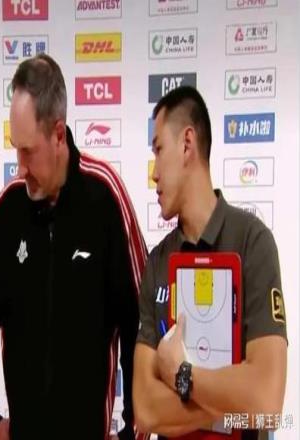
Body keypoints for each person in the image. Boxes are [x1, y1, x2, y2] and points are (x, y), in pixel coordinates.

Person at [0, 54, 147, 440]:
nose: (19, 167)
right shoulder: (8, 211)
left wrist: (135, 431)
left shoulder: (105, 197)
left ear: (59, 134)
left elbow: (140, 323)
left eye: (28, 151)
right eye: (15, 149)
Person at [133, 86, 287, 439]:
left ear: (187, 144)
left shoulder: (253, 242)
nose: (154, 173)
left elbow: (266, 402)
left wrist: (181, 375)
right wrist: (232, 396)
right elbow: (146, 409)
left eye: (159, 149)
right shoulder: (157, 262)